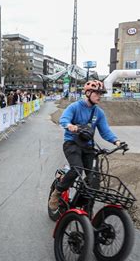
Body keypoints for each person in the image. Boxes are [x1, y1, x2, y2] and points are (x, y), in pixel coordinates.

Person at [48, 80, 121, 211]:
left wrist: (117, 142)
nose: (100, 96)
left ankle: (86, 208)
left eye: (101, 94)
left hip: (88, 147)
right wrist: (70, 126)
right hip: (71, 144)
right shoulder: (75, 107)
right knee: (77, 168)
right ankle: (57, 192)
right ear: (88, 93)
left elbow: (105, 131)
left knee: (94, 180)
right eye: (97, 93)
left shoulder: (99, 113)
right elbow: (64, 119)